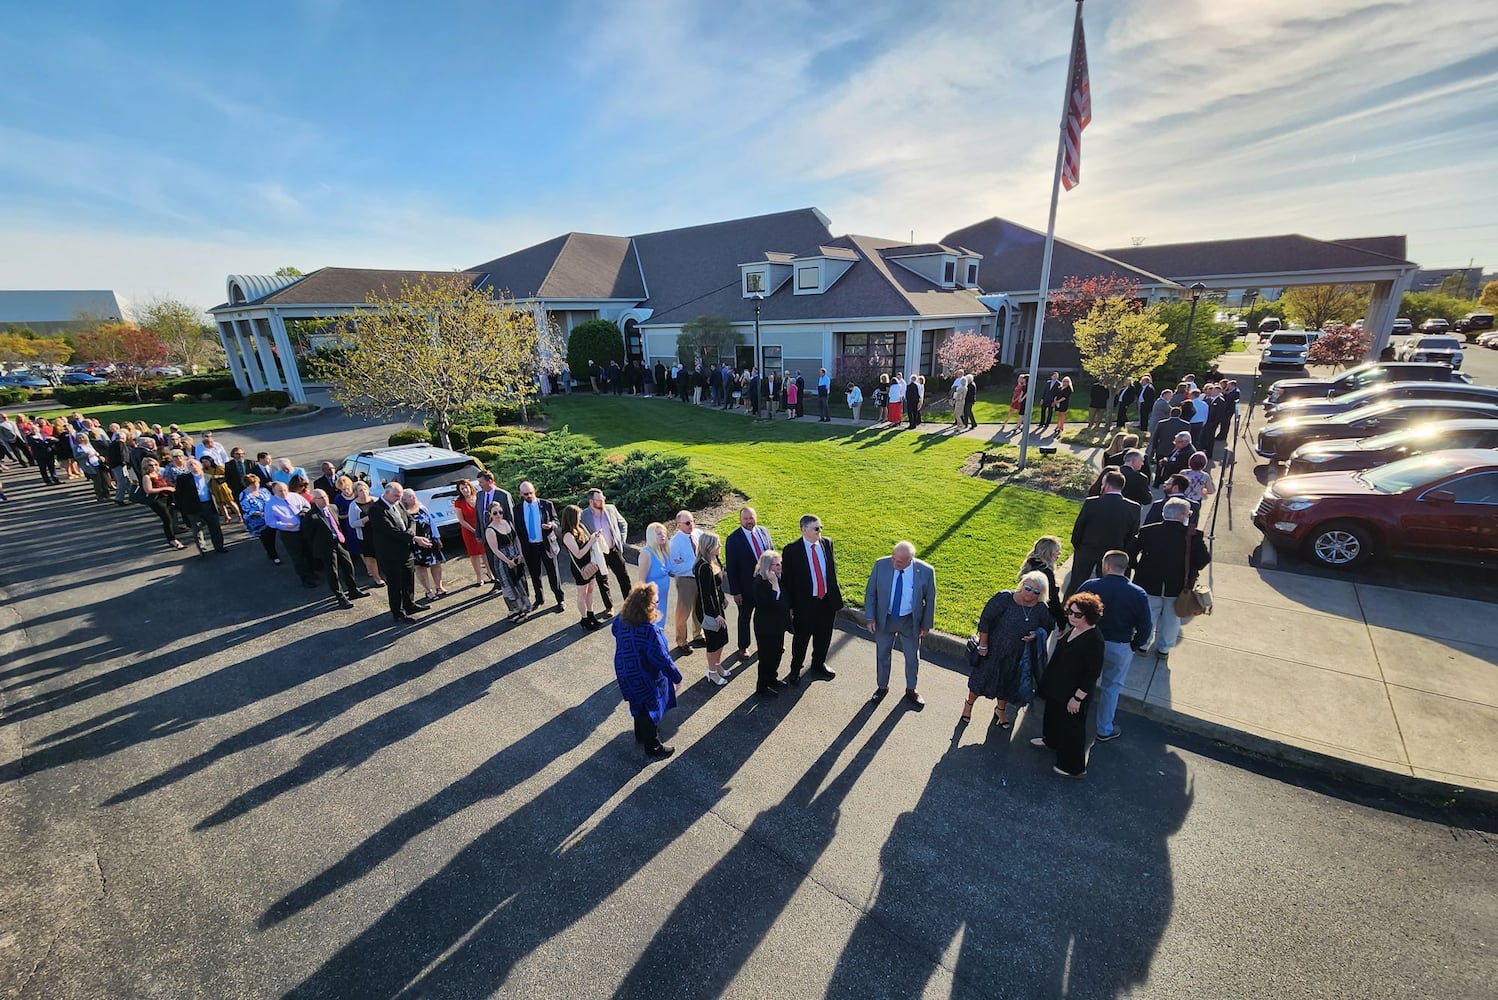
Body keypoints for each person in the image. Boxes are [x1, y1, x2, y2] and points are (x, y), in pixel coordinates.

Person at [1076, 551, 1153, 743]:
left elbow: (1073, 609)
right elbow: (1146, 626)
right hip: (1120, 646)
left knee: (1081, 682)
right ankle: (1104, 729)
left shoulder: (1090, 586)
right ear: (1124, 567)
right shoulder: (1138, 593)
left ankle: (1074, 721)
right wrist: (1134, 645)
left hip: (1088, 643)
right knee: (1112, 688)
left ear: (1106, 566)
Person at [965, 570, 1055, 728]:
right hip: (993, 650)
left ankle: (1000, 710)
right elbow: (985, 620)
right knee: (980, 681)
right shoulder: (1004, 598)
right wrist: (983, 645)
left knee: (1006, 684)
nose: (1030, 594)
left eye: (1036, 592)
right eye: (1027, 588)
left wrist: (1036, 634)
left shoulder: (1041, 608)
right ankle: (968, 705)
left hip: (1017, 654)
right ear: (1022, 585)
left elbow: (1047, 626)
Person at [1030, 591, 1106, 778]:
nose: (1071, 616)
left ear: (1089, 616)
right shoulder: (1075, 628)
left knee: (1072, 728)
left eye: (1077, 614)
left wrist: (1077, 698)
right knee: (1053, 715)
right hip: (1058, 687)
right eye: (1070, 612)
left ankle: (1073, 768)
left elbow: (1092, 674)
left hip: (1073, 693)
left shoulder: (1094, 640)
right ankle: (1051, 741)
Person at [1130, 498, 1211, 660]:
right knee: (1172, 619)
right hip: (1178, 586)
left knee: (1148, 615)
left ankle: (1142, 645)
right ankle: (1164, 649)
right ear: (1181, 515)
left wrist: (1138, 568)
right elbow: (1203, 559)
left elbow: (1130, 552)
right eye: (1188, 513)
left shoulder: (1147, 531)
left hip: (1148, 582)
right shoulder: (1192, 535)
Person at [611, 583, 683, 759]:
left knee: (637, 703)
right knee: (649, 708)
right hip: (644, 675)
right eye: (656, 602)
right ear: (648, 606)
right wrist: (676, 677)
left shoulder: (621, 619)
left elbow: (614, 631)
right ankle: (653, 746)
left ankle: (640, 734)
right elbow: (661, 658)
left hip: (624, 669)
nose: (657, 605)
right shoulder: (649, 630)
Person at [863, 540, 937, 707]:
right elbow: (870, 593)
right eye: (893, 558)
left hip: (910, 621)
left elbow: (930, 599)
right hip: (885, 618)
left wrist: (926, 624)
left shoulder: (925, 571)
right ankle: (882, 687)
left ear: (911, 560)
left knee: (912, 657)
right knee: (882, 654)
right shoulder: (881, 565)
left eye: (900, 562)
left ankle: (911, 689)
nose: (894, 563)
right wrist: (870, 617)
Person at [779, 513, 843, 685]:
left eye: (821, 527)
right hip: (805, 604)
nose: (819, 531)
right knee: (801, 639)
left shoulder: (826, 543)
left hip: (826, 602)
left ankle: (818, 665)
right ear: (804, 529)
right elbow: (787, 581)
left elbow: (831, 570)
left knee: (824, 637)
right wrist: (791, 606)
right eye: (816, 528)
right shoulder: (791, 550)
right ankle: (795, 669)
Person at [1067, 471, 1141, 596]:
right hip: (1113, 554)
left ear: (1107, 485)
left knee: (1077, 584)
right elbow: (1133, 533)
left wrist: (1078, 546)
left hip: (1087, 550)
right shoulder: (1134, 508)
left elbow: (1079, 528)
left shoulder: (1092, 503)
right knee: (1108, 588)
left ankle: (1068, 610)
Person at [367, 482, 426, 623]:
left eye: (400, 496)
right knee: (395, 584)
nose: (398, 499)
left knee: (408, 580)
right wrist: (414, 538)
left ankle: (409, 605)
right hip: (390, 554)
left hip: (405, 551)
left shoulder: (398, 504)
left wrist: (412, 529)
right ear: (386, 493)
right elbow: (390, 531)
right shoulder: (376, 510)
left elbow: (410, 518)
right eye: (396, 496)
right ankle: (398, 613)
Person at [723, 506, 772, 658]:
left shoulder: (764, 531)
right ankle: (743, 646)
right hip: (746, 588)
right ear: (740, 520)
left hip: (766, 584)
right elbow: (731, 568)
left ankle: (767, 642)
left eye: (751, 518)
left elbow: (772, 554)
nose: (749, 521)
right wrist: (735, 592)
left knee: (766, 616)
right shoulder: (733, 539)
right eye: (746, 518)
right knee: (744, 617)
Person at [307, 489, 366, 608]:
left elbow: (337, 524)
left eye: (326, 496)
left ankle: (353, 590)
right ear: (315, 500)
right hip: (326, 546)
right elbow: (309, 535)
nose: (325, 499)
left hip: (339, 541)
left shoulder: (333, 507)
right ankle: (341, 597)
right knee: (333, 572)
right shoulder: (311, 516)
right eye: (321, 498)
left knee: (348, 565)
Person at [516, 480, 565, 609]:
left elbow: (556, 520)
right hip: (530, 546)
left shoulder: (546, 504)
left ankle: (560, 599)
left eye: (531, 493)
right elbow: (518, 529)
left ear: (534, 491)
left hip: (546, 544)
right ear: (521, 494)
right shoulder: (517, 509)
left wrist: (551, 525)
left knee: (553, 573)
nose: (529, 496)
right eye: (525, 494)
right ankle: (539, 598)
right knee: (534, 574)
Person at [561, 503, 608, 630]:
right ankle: (584, 618)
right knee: (582, 594)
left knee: (590, 591)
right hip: (580, 567)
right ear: (572, 518)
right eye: (578, 516)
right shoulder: (567, 535)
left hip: (590, 564)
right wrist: (591, 541)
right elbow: (578, 554)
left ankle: (591, 614)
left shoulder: (580, 527)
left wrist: (595, 537)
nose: (580, 518)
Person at [484, 501, 533, 621]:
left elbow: (516, 540)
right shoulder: (490, 530)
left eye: (500, 512)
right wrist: (507, 561)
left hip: (515, 557)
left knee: (520, 583)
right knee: (509, 586)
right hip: (503, 561)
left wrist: (520, 554)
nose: (498, 515)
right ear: (490, 514)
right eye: (495, 513)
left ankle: (523, 608)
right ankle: (513, 611)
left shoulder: (508, 523)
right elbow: (494, 550)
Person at [693, 531, 732, 685]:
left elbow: (717, 586)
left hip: (716, 606)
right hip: (707, 609)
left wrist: (722, 598)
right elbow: (705, 595)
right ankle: (712, 672)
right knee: (714, 641)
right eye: (717, 544)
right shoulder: (703, 567)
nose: (720, 546)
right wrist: (715, 615)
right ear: (708, 546)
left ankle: (717, 665)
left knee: (722, 638)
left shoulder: (715, 560)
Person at [580, 488, 632, 598]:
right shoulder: (584, 515)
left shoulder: (611, 509)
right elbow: (582, 533)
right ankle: (609, 607)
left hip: (613, 550)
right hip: (598, 553)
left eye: (603, 498)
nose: (602, 501)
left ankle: (630, 605)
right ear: (591, 501)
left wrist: (621, 541)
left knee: (624, 578)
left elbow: (623, 523)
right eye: (599, 500)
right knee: (602, 581)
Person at [751, 551, 789, 697]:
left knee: (777, 652)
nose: (780, 567)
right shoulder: (760, 582)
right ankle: (762, 686)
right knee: (766, 657)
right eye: (776, 564)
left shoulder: (778, 578)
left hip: (778, 625)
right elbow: (769, 604)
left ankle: (772, 678)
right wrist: (774, 586)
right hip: (765, 627)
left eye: (780, 563)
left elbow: (784, 600)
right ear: (767, 566)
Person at [265, 480, 317, 587]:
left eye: (285, 490)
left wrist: (304, 511)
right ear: (274, 491)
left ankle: (312, 572)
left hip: (303, 529)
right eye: (280, 491)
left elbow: (306, 505)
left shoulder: (295, 496)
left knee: (308, 552)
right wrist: (284, 525)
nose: (283, 493)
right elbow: (270, 522)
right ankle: (306, 579)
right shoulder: (270, 504)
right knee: (298, 556)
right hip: (289, 533)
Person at [173, 458, 227, 556]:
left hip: (209, 505)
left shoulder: (208, 477)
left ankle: (219, 547)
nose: (193, 466)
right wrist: (183, 509)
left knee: (215, 527)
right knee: (197, 529)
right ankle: (203, 550)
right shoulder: (183, 479)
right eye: (190, 465)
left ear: (201, 466)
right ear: (188, 468)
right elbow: (178, 495)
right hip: (194, 508)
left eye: (195, 464)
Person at [668, 510, 703, 654]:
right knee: (683, 611)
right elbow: (674, 567)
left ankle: (698, 634)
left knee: (699, 607)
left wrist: (687, 562)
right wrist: (694, 564)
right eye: (687, 523)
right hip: (686, 580)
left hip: (700, 577)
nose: (691, 525)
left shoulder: (698, 534)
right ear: (678, 525)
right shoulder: (675, 542)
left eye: (693, 521)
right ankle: (681, 640)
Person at [401, 489, 446, 600]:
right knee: (421, 567)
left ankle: (439, 587)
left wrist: (437, 538)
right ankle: (428, 591)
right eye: (410, 496)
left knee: (436, 564)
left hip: (430, 540)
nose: (413, 498)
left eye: (413, 496)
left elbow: (432, 524)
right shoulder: (404, 513)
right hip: (415, 544)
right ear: (404, 500)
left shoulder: (422, 508)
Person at [474, 471, 515, 591]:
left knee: (504, 559)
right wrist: (478, 533)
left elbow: (510, 516)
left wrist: (511, 535)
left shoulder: (503, 495)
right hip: (487, 535)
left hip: (501, 535)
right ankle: (498, 582)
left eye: (481, 482)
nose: (479, 485)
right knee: (492, 560)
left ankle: (510, 582)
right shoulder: (480, 495)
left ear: (490, 481)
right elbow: (478, 515)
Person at [452, 479, 494, 588]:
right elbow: (461, 520)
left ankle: (491, 574)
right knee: (474, 554)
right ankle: (479, 577)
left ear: (470, 487)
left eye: (466, 487)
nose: (465, 490)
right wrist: (474, 531)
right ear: (459, 491)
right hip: (469, 531)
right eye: (462, 488)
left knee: (485, 552)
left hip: (482, 528)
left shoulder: (479, 497)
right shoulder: (458, 502)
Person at [346, 480, 386, 586]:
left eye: (364, 489)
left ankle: (387, 574)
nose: (363, 492)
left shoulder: (376, 500)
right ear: (356, 493)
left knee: (384, 554)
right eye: (360, 490)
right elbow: (352, 523)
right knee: (371, 558)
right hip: (366, 535)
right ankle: (377, 578)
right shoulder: (353, 506)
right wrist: (366, 519)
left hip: (380, 534)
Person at [139, 457, 184, 550]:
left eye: (155, 464)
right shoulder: (147, 476)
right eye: (150, 465)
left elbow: (164, 483)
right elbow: (148, 490)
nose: (154, 467)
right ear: (146, 467)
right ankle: (172, 540)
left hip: (166, 498)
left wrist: (170, 486)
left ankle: (173, 534)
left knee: (171, 516)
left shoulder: (157, 473)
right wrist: (165, 489)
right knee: (167, 519)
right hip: (156, 500)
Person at [1020, 535, 1066, 625]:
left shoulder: (1030, 564)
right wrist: (1062, 621)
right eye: (1056, 551)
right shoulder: (1046, 573)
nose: (1059, 554)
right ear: (1048, 553)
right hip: (1038, 615)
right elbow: (1052, 600)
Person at [636, 521, 673, 626]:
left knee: (661, 623)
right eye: (659, 534)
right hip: (651, 600)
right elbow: (641, 581)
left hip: (662, 598)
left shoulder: (664, 551)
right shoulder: (646, 554)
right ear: (652, 536)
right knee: (652, 625)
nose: (663, 536)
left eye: (664, 533)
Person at [238, 474, 279, 564]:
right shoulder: (244, 495)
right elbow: (246, 509)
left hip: (270, 518)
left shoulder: (264, 491)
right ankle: (273, 555)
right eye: (253, 485)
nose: (256, 486)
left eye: (257, 483)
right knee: (265, 538)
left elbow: (272, 501)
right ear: (248, 485)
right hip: (257, 522)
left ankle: (271, 551)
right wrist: (259, 513)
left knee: (272, 536)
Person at [1150, 412, 1192, 485]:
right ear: (1180, 414)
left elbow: (1155, 437)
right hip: (1174, 449)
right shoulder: (1186, 424)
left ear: (1170, 413)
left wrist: (1154, 449)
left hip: (1162, 449)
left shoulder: (1161, 423)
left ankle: (1157, 483)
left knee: (1159, 468)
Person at [1181, 451, 1215, 524]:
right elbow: (1211, 491)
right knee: (1192, 521)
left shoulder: (1183, 473)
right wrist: (1203, 491)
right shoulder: (1205, 476)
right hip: (1196, 501)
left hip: (1183, 498)